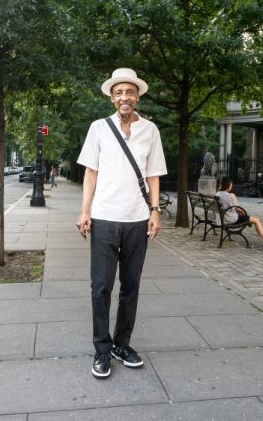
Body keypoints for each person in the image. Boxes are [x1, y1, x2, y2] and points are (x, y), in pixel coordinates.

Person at [76, 68, 167, 379]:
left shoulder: (150, 130)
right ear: (112, 98)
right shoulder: (99, 128)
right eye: (118, 93)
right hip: (103, 218)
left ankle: (121, 344)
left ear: (137, 96)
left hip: (137, 220)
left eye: (129, 92)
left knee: (131, 287)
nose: (124, 97)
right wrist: (84, 211)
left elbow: (153, 174)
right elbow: (90, 173)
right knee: (101, 287)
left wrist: (155, 211)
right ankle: (102, 349)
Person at [216, 176, 263, 247]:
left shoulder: (217, 194)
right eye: (231, 184)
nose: (231, 186)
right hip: (230, 219)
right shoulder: (230, 196)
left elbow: (234, 209)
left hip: (221, 219)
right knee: (256, 220)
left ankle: (248, 221)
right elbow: (238, 208)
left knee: (245, 216)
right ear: (228, 185)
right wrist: (244, 213)